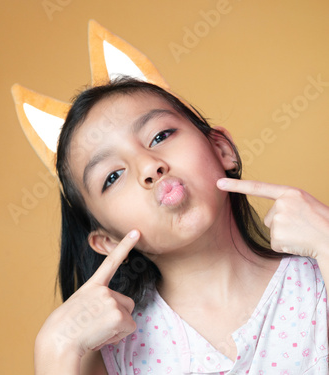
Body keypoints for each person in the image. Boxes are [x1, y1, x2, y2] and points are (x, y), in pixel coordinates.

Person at [34, 77, 329, 374]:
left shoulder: (319, 281)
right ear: (108, 241)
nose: (150, 166)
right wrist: (55, 349)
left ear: (221, 149)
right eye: (113, 176)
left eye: (160, 136)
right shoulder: (109, 355)